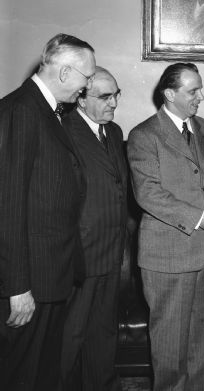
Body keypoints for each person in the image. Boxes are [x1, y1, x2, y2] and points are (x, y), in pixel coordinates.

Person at [127, 63, 204, 391]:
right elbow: (148, 193)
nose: (201, 96)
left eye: (200, 88)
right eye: (193, 91)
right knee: (170, 344)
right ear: (170, 94)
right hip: (168, 254)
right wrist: (199, 217)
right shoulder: (144, 135)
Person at [0, 33, 95, 390]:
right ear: (66, 72)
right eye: (86, 79)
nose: (85, 90)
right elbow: (7, 205)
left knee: (41, 373)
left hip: (50, 276)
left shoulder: (47, 111)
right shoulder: (23, 111)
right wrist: (17, 287)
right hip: (30, 283)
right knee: (22, 375)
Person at [60, 67, 128, 391]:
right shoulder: (62, 131)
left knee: (104, 336)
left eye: (116, 94)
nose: (114, 102)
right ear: (81, 100)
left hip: (112, 255)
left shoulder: (113, 133)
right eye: (105, 96)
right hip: (79, 260)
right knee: (70, 339)